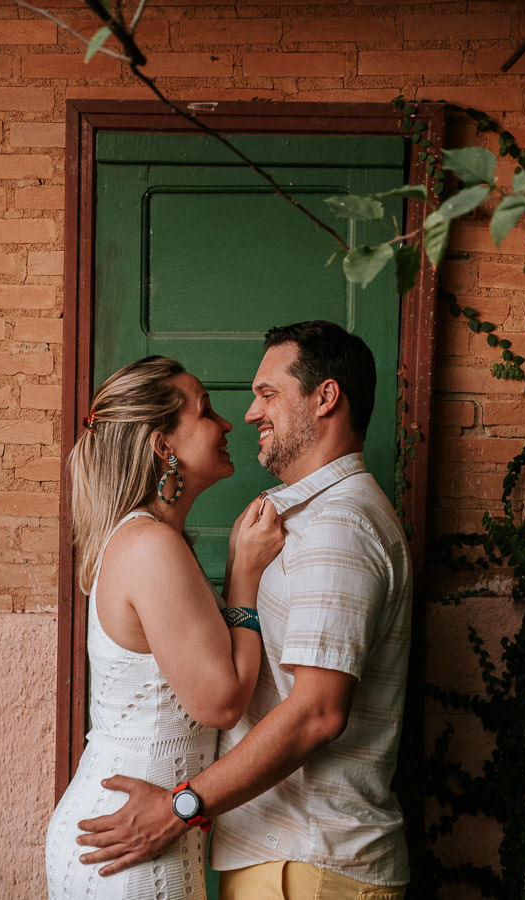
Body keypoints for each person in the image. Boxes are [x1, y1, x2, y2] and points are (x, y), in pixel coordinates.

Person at [77, 322, 413, 899]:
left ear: (325, 398)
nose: (248, 415)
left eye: (267, 394)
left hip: (309, 865)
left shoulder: (337, 527)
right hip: (277, 862)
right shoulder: (294, 521)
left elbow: (317, 714)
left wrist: (182, 807)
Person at [45, 355, 284, 899]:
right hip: (124, 845)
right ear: (163, 445)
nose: (227, 424)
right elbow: (220, 702)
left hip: (140, 833)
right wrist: (244, 574)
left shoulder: (148, 539)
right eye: (206, 412)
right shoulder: (149, 545)